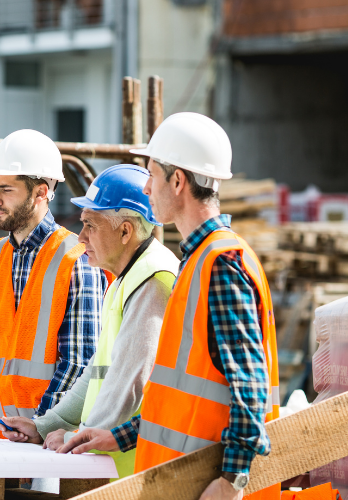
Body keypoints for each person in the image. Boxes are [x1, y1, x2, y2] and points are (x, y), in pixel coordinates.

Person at [57, 113, 281, 500]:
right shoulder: (197, 262)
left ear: (178, 181)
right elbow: (176, 395)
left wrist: (233, 481)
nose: (146, 188)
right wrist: (118, 435)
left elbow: (250, 385)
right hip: (182, 480)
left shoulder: (221, 263)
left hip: (210, 486)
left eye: (151, 175)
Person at [0, 165, 179, 485]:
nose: (80, 238)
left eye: (90, 226)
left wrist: (78, 437)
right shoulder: (127, 278)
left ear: (125, 231)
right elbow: (98, 372)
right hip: (113, 468)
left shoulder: (153, 279)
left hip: (133, 475)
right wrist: (46, 425)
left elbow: (129, 385)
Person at [0, 129, 108, 438]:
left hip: (45, 440)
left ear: (41, 193)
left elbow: (80, 361)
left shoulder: (76, 259)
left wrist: (41, 424)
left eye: (5, 189)